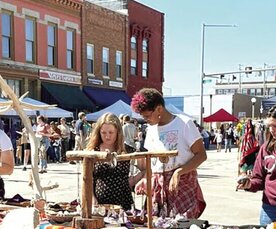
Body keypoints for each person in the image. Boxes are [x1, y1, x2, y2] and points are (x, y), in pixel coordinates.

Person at [132, 88, 207, 218]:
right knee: (157, 226)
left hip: (182, 183)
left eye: (148, 116)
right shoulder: (150, 129)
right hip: (158, 186)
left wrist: (179, 172)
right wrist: (146, 179)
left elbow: (201, 155)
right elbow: (153, 162)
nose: (145, 120)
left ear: (159, 109)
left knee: (181, 225)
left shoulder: (184, 123)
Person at [86, 113, 139, 210]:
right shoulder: (93, 151)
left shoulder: (127, 150)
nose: (107, 136)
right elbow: (87, 179)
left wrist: (134, 181)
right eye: (103, 133)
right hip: (99, 204)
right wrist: (93, 201)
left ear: (118, 132)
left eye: (111, 132)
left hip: (124, 202)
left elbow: (145, 169)